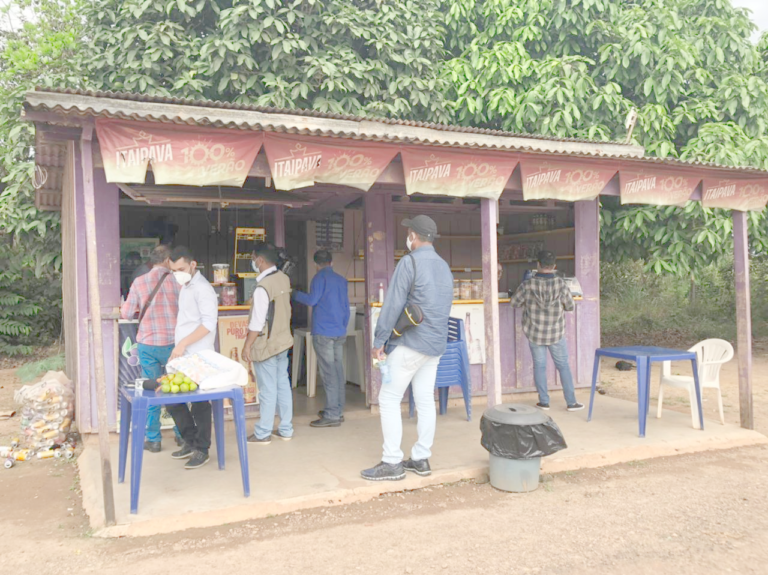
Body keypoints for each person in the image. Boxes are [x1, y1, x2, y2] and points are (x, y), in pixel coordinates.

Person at [361, 215, 454, 481]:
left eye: (409, 233)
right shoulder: (444, 266)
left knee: (389, 399)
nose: (408, 238)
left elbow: (392, 305)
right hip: (435, 346)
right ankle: (421, 458)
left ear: (414, 236)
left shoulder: (409, 262)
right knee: (425, 400)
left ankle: (391, 462)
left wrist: (379, 341)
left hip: (411, 343)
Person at [120, 245, 181, 453]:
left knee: (152, 390)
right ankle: (182, 435)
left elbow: (126, 314)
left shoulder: (139, 282)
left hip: (148, 344)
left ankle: (153, 439)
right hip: (175, 345)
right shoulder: (178, 281)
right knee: (176, 391)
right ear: (167, 261)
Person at [510, 250, 584, 412]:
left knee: (539, 366)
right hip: (556, 333)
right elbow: (570, 306)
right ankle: (571, 402)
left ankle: (544, 402)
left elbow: (514, 303)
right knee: (563, 366)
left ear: (538, 265)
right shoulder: (560, 284)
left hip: (535, 333)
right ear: (554, 266)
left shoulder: (528, 285)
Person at [166, 246, 219, 469]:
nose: (177, 273)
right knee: (173, 400)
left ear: (193, 265)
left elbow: (208, 324)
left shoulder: (203, 289)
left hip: (199, 355)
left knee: (199, 404)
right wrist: (179, 346)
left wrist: (183, 343)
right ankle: (190, 441)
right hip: (183, 353)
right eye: (173, 270)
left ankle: (202, 449)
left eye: (181, 268)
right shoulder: (185, 286)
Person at [242, 243, 294, 445]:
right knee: (283, 385)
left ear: (260, 260)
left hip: (267, 345)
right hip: (282, 342)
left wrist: (247, 346)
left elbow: (257, 322)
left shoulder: (263, 287)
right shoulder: (283, 278)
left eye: (254, 259)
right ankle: (286, 429)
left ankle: (263, 432)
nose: (253, 262)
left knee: (267, 389)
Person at [293, 250, 351, 428]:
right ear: (331, 263)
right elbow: (346, 307)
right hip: (339, 331)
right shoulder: (341, 280)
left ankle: (332, 414)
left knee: (328, 373)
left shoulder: (318, 278)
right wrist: (342, 327)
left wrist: (294, 294)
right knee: (338, 371)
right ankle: (337, 410)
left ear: (315, 264)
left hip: (324, 332)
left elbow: (312, 300)